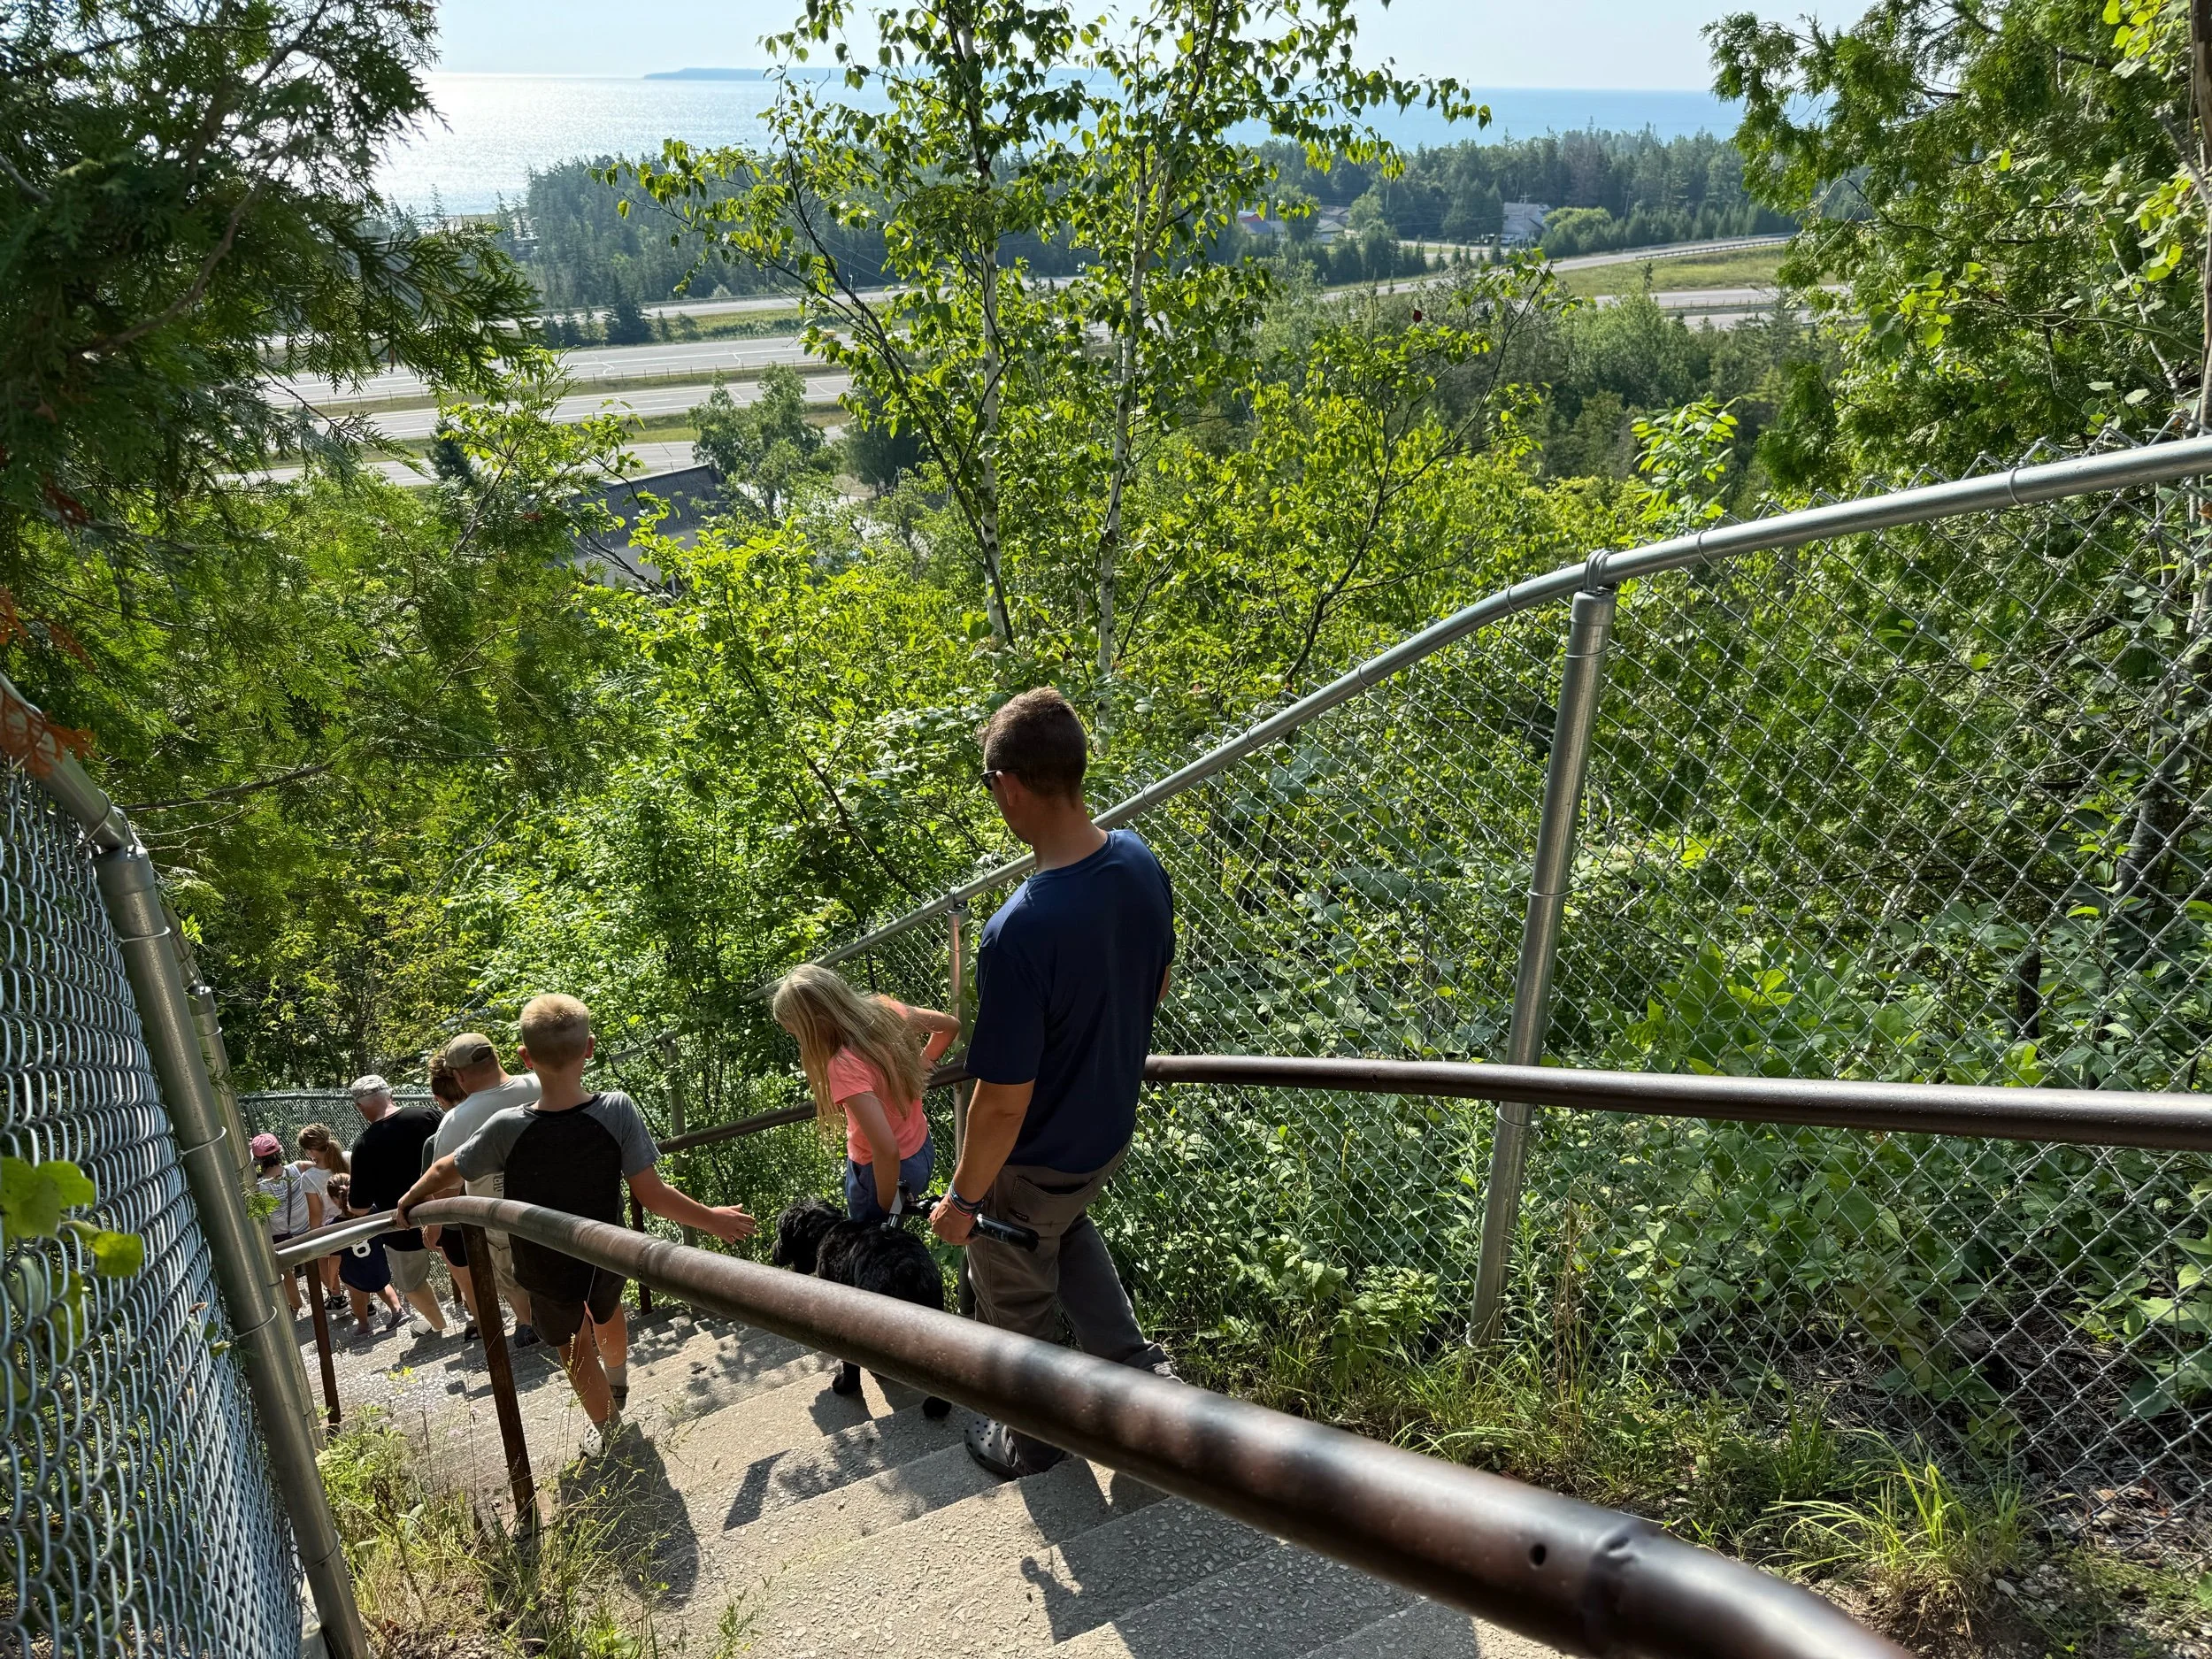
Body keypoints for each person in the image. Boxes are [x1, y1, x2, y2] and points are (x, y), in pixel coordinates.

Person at [929, 687, 1178, 1479]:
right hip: (1103, 1130)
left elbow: (1001, 1103)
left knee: (1013, 1294)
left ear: (1007, 785)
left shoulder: (1018, 931)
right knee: (1060, 1229)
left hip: (1031, 1161)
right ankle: (1139, 1376)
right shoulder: (1138, 860)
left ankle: (1034, 1437)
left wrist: (964, 1202)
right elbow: (1159, 981)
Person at [398, 995, 758, 1452]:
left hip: (542, 1259)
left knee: (570, 1342)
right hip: (606, 1247)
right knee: (608, 1312)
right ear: (589, 1048)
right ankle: (619, 1380)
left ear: (524, 1058)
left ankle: (609, 1428)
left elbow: (448, 1167)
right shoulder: (617, 1109)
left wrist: (410, 1199)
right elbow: (651, 1193)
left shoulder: (507, 1126)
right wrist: (710, 1218)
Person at [772, 965, 960, 1223]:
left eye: (797, 1033)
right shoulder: (887, 1012)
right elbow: (949, 1026)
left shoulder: (844, 1064)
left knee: (872, 1254)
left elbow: (885, 1148)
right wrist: (919, 1067)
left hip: (883, 1175)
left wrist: (885, 1203)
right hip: (921, 1152)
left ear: (814, 1026)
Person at [427, 1031, 544, 1348]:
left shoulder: (456, 1120)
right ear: (496, 1057)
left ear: (459, 1075)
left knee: (509, 1269)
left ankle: (527, 1322)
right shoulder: (540, 1083)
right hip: (556, 1197)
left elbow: (445, 1182)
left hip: (499, 1214)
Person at [343, 1073, 449, 1340]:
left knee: (410, 1283)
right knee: (460, 1261)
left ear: (360, 1107)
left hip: (402, 1225)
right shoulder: (428, 1116)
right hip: (450, 1208)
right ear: (390, 1095)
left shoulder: (364, 1145)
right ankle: (476, 1317)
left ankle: (439, 1325)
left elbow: (359, 1206)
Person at [327, 1172, 405, 1336]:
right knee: (383, 1285)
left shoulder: (333, 1226)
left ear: (334, 1200)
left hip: (352, 1269)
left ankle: (364, 1326)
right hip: (376, 1260)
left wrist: (331, 1279)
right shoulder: (373, 1211)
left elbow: (335, 1257)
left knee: (356, 1295)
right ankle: (398, 1310)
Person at [252, 1133, 313, 1316]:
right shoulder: (297, 1168)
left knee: (285, 1272)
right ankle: (334, 1294)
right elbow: (320, 1167)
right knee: (316, 1265)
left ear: (257, 1159)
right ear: (279, 1151)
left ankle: (295, 1305)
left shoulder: (258, 1187)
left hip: (280, 1237)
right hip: (305, 1228)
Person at [296, 1124, 349, 1310]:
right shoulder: (348, 1158)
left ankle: (336, 1296)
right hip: (356, 1220)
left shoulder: (309, 1177)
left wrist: (314, 1239)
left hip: (332, 1227)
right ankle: (364, 1302)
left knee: (323, 1259)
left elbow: (316, 1214)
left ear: (311, 1151)